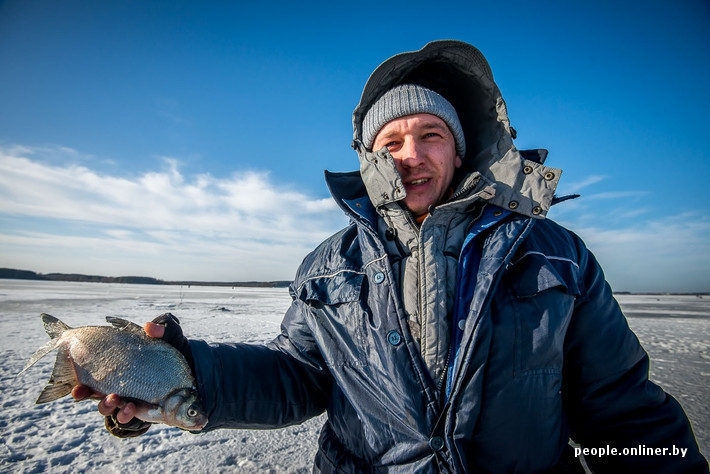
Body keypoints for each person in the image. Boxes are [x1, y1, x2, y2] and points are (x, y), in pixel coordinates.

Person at [73, 40, 708, 472]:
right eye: (392, 139)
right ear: (372, 159)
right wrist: (189, 373)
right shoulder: (330, 267)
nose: (412, 153)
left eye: (432, 135)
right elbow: (297, 375)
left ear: (460, 151)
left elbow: (623, 411)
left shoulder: (556, 258)